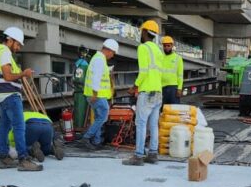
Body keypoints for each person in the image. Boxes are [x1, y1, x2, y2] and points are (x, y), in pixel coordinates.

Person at [0, 26, 41, 171]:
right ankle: (23, 159)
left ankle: (4, 158)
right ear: (10, 40)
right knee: (19, 127)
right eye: (17, 44)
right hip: (10, 95)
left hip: (2, 96)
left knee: (4, 128)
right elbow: (7, 76)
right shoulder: (4, 52)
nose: (17, 48)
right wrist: (24, 74)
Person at [124, 20, 164, 166]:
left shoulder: (143, 48)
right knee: (153, 124)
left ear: (146, 32)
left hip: (147, 91)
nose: (141, 34)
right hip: (158, 91)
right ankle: (153, 154)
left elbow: (144, 72)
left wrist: (134, 87)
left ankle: (138, 156)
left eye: (142, 31)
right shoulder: (158, 50)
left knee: (140, 123)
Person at [79, 39, 119, 151]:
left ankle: (96, 141)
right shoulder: (99, 60)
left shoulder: (98, 58)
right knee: (103, 116)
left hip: (96, 94)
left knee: (98, 117)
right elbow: (96, 77)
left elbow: (101, 74)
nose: (113, 55)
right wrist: (95, 94)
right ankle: (86, 138)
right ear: (109, 50)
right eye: (113, 53)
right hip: (96, 95)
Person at [158, 36, 184, 105]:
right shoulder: (160, 57)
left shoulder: (178, 58)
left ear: (172, 46)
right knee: (163, 110)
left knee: (174, 110)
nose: (166, 47)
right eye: (165, 46)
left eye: (168, 46)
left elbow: (180, 75)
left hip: (173, 88)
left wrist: (179, 88)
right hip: (161, 88)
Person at [72, 46, 90, 133]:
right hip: (81, 92)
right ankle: (79, 130)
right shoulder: (83, 64)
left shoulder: (78, 63)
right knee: (80, 112)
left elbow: (76, 78)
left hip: (78, 92)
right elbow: (79, 79)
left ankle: (78, 128)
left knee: (78, 112)